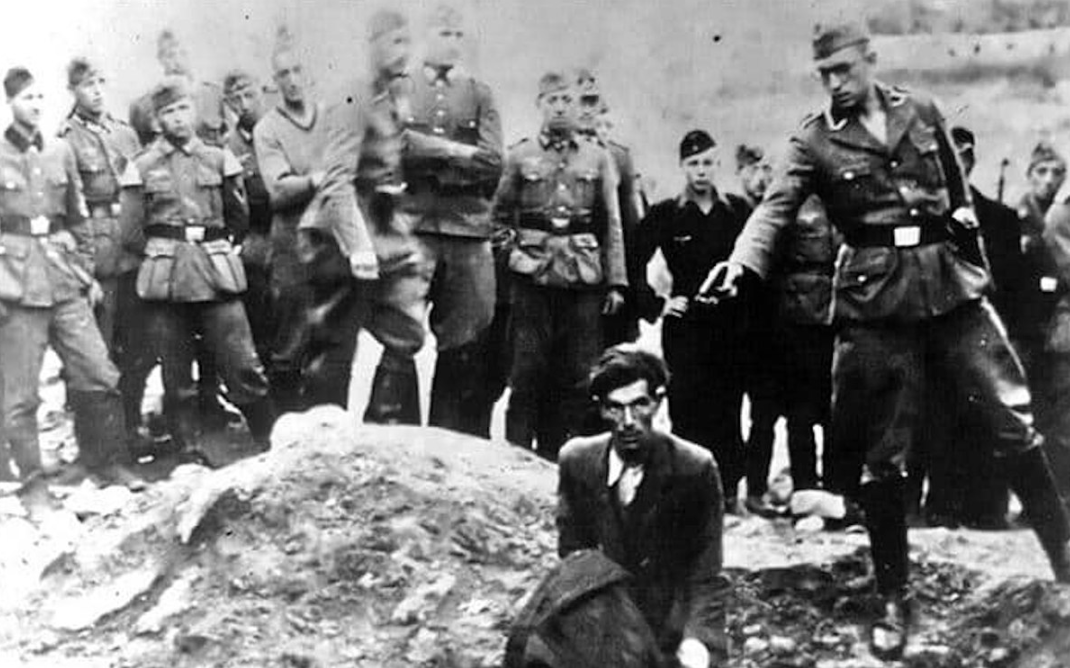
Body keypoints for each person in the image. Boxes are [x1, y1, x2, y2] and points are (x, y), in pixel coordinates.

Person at [699, 22, 1070, 659]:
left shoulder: (921, 110)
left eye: (844, 69)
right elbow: (775, 209)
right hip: (876, 304)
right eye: (825, 75)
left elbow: (959, 199)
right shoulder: (815, 139)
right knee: (885, 452)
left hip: (951, 292)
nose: (835, 83)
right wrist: (741, 262)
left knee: (1011, 418)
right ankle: (895, 598)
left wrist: (975, 272)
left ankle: (1064, 561)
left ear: (870, 61)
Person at [0, 67, 144, 495]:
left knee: (98, 371)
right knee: (22, 394)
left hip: (64, 281)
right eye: (27, 98)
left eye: (41, 97)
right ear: (10, 104)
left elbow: (79, 218)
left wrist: (86, 273)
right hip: (17, 287)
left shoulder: (60, 151)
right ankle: (33, 487)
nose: (37, 105)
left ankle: (109, 463)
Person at [118, 77, 275, 457]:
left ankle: (271, 443)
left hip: (214, 271)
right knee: (177, 374)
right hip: (167, 278)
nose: (177, 119)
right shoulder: (142, 166)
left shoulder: (219, 158)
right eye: (168, 112)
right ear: (157, 120)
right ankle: (188, 452)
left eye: (183, 108)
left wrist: (212, 247)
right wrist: (166, 251)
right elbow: (131, 232)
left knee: (243, 363)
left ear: (194, 109)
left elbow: (239, 217)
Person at [557, 346, 729, 667]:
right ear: (601, 410)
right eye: (615, 409)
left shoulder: (694, 468)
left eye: (639, 405)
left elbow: (706, 574)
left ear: (658, 402)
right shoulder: (577, 461)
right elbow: (574, 560)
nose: (628, 422)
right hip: (607, 628)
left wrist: (697, 641)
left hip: (671, 634)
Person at [491, 71, 627, 461]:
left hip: (583, 281)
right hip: (532, 280)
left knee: (578, 377)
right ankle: (515, 462)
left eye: (567, 99)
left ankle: (561, 463)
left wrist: (616, 282)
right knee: (527, 372)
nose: (561, 107)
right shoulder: (519, 156)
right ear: (540, 104)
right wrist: (517, 259)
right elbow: (497, 222)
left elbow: (611, 224)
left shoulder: (598, 158)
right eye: (552, 100)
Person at [302, 9, 429, 416]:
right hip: (340, 235)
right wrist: (357, 247)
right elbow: (336, 180)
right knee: (336, 343)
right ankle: (324, 441)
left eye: (407, 42)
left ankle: (380, 429)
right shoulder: (354, 94)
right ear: (372, 45)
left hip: (382, 227)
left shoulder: (390, 95)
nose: (403, 51)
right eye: (394, 42)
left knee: (406, 332)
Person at [397, 3, 504, 435]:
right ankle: (394, 443)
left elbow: (494, 162)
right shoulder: (401, 90)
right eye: (444, 34)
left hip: (467, 228)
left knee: (463, 342)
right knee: (398, 337)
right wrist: (458, 151)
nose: (452, 43)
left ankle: (448, 442)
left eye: (459, 35)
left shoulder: (481, 94)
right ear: (425, 39)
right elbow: (392, 144)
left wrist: (426, 154)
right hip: (413, 226)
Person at [911, 126, 1020, 529]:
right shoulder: (921, 219)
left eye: (965, 157)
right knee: (938, 422)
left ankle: (988, 509)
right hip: (936, 337)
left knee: (986, 423)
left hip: (983, 336)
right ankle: (940, 507)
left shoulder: (1001, 219)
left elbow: (1011, 287)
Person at [633, 130, 746, 508]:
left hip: (730, 324)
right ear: (682, 167)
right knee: (686, 406)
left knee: (729, 407)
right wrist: (658, 304)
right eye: (694, 164)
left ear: (719, 165)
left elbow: (758, 258)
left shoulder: (737, 212)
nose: (701, 171)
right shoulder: (667, 213)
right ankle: (686, 494)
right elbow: (633, 259)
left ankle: (728, 492)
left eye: (708, 163)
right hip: (686, 326)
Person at [57, 57, 152, 451]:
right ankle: (100, 445)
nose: (96, 90)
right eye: (86, 84)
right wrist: (84, 270)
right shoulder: (66, 139)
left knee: (141, 347)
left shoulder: (126, 135)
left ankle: (130, 427)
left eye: (100, 82)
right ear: (73, 91)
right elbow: (67, 206)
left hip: (134, 248)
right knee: (100, 350)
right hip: (98, 254)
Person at [252, 36, 330, 413]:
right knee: (291, 340)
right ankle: (285, 433)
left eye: (298, 70)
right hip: (292, 245)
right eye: (284, 73)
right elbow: (279, 190)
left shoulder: (330, 117)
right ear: (275, 80)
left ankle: (327, 431)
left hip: (331, 241)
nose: (293, 80)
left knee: (330, 339)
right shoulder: (267, 129)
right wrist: (316, 179)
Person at [726, 144, 788, 516]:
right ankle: (729, 487)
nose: (762, 177)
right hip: (733, 332)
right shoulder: (731, 212)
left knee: (765, 415)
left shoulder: (780, 216)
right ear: (740, 172)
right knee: (728, 414)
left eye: (768, 169)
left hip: (770, 331)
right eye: (754, 169)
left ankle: (757, 489)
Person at [574, 69, 652, 348]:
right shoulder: (541, 154)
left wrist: (629, 287)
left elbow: (634, 230)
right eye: (577, 101)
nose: (585, 111)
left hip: (606, 277)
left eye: (591, 102)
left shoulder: (619, 157)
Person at [223, 70, 272, 366]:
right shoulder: (229, 147)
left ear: (262, 93)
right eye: (236, 99)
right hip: (255, 234)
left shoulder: (284, 131)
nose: (244, 104)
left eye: (249, 95)